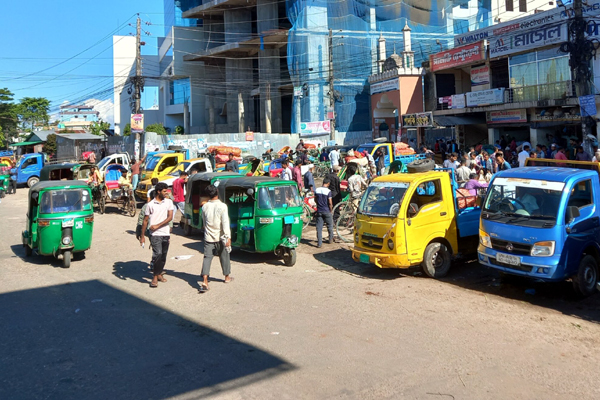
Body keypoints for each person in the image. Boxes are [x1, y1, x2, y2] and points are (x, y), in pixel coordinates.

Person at [139, 182, 173, 288]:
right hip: (155, 234)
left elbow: (170, 217)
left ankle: (159, 273)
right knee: (157, 254)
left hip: (165, 233)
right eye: (164, 191)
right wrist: (142, 235)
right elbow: (145, 220)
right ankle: (154, 276)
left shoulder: (168, 202)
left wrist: (158, 225)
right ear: (158, 191)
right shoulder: (150, 205)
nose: (166, 193)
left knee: (163, 255)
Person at [200, 184, 232, 292]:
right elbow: (225, 223)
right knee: (224, 257)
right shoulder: (223, 206)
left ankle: (205, 280)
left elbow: (204, 222)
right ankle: (227, 277)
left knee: (207, 258)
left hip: (209, 236)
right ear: (217, 192)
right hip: (221, 236)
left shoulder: (205, 206)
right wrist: (228, 237)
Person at [315, 178, 334, 248]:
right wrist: (331, 210)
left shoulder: (317, 190)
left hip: (319, 211)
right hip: (326, 211)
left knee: (319, 228)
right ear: (328, 183)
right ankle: (330, 239)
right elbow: (330, 202)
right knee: (329, 226)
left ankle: (319, 243)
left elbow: (315, 199)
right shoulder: (328, 191)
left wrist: (318, 204)